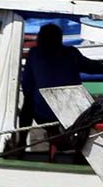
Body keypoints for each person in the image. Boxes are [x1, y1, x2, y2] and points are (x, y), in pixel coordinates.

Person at [18, 23, 103, 154]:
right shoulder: (71, 53)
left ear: (41, 38)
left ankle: (21, 142)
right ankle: (77, 150)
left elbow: (27, 85)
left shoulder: (34, 54)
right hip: (73, 112)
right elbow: (92, 67)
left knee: (28, 103)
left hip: (44, 114)